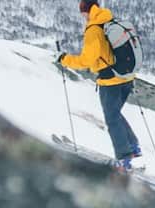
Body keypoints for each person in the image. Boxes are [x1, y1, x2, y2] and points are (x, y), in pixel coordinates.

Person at [58, 0, 140, 170]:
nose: (82, 16)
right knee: (114, 113)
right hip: (126, 78)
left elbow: (86, 60)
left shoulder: (93, 29)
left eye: (82, 12)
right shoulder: (109, 21)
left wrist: (65, 59)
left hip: (110, 80)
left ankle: (124, 159)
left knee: (111, 118)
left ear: (86, 11)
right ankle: (133, 146)